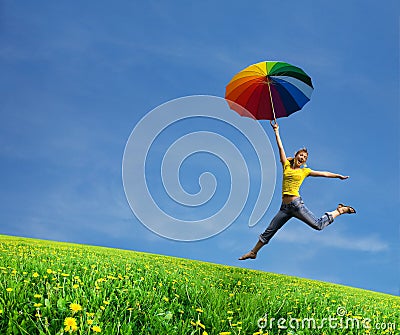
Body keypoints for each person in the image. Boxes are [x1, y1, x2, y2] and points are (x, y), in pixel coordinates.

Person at [239, 122, 356, 261]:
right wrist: (276, 131)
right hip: (284, 208)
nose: (303, 158)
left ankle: (339, 211)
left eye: (305, 158)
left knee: (318, 225)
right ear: (296, 155)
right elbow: (280, 147)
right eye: (301, 155)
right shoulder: (286, 166)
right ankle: (253, 252)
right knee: (270, 230)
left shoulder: (305, 171)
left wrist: (338, 176)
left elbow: (323, 173)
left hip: (296, 205)